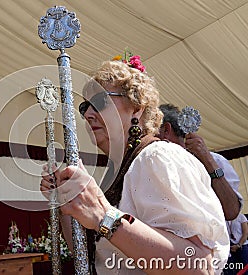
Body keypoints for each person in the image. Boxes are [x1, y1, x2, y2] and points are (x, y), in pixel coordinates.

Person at [40, 56, 229, 274]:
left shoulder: (157, 158)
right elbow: (91, 255)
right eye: (85, 107)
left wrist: (103, 215)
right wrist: (68, 200)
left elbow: (199, 265)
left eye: (100, 102)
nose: (88, 115)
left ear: (136, 107)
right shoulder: (122, 169)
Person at [157, 104, 242, 220]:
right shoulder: (155, 165)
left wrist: (207, 160)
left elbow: (231, 211)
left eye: (152, 132)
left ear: (166, 130)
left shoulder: (215, 160)